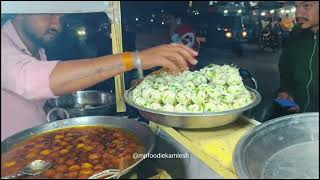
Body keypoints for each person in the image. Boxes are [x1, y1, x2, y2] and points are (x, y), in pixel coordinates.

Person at [1, 14, 198, 140]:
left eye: (61, 17)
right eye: (50, 14)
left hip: (42, 147)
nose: (56, 24)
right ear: (20, 10)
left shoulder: (38, 49)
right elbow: (29, 80)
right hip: (11, 160)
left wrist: (58, 115)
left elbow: (33, 100)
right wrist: (135, 59)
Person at [275, 1, 319, 116]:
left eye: (306, 6)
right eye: (296, 6)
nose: (298, 14)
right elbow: (285, 70)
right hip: (298, 120)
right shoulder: (295, 37)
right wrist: (286, 92)